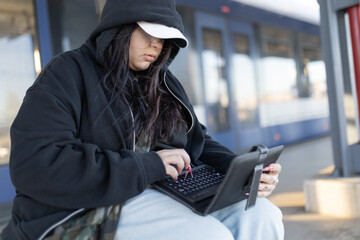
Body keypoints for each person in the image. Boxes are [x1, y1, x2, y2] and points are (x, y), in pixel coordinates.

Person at [2, 0, 284, 239]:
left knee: (263, 214)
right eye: (149, 32)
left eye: (164, 38)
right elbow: (36, 164)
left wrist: (239, 170)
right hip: (84, 209)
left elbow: (195, 140)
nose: (156, 45)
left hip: (158, 193)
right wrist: (148, 166)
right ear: (120, 26)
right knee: (208, 235)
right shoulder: (68, 72)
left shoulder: (163, 81)